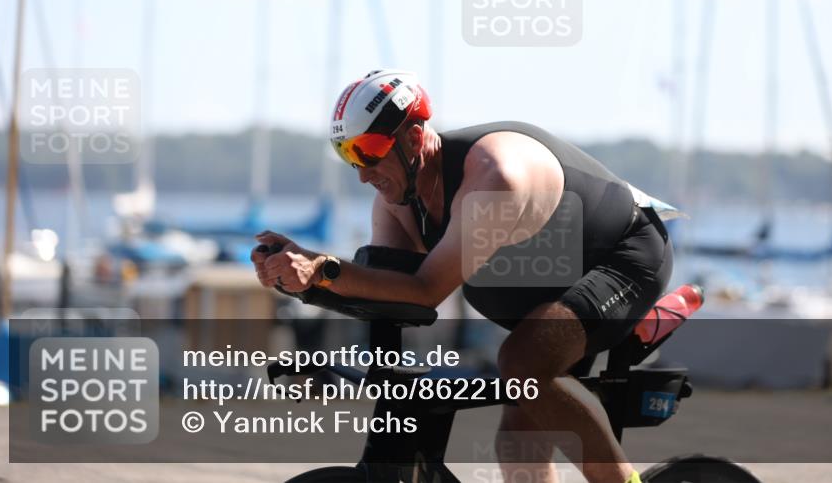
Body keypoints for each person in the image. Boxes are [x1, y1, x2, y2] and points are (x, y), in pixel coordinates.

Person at [252, 69, 673, 483]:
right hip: (546, 290)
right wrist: (304, 281)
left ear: (413, 138)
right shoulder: (396, 201)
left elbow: (424, 291)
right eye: (349, 155)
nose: (362, 173)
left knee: (524, 364)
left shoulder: (493, 178)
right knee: (518, 444)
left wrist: (322, 268)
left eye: (369, 151)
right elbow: (384, 295)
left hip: (623, 255)